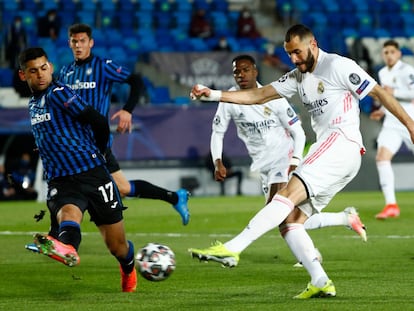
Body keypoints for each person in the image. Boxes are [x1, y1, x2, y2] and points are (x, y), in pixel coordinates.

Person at [189, 24, 414, 299]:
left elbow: (378, 93)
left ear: (313, 44)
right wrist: (212, 95)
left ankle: (233, 247)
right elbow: (258, 95)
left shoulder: (338, 65)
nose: (293, 59)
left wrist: (410, 125)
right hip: (334, 153)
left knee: (284, 196)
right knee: (291, 222)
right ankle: (320, 280)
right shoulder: (296, 77)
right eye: (289, 54)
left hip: (342, 142)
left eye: (297, 52)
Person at [210, 54, 367, 265]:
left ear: (255, 71)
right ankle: (344, 219)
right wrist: (217, 160)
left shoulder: (273, 98)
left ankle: (235, 251)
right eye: (236, 71)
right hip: (263, 164)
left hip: (282, 159)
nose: (241, 75)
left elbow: (298, 132)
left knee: (276, 210)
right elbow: (217, 131)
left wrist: (295, 159)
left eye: (245, 70)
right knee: (284, 216)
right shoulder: (230, 100)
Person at [19, 47, 137, 292]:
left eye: (43, 68)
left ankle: (128, 267)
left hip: (94, 174)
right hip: (63, 180)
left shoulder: (59, 93)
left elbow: (97, 120)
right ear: (24, 76)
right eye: (33, 71)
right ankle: (68, 248)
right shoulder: (33, 103)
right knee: (69, 214)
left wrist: (103, 151)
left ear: (50, 67)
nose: (40, 74)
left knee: (117, 247)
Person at [57, 23, 189, 225]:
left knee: (76, 186)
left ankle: (60, 234)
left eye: (82, 41)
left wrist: (127, 110)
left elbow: (136, 81)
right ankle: (174, 197)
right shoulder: (65, 72)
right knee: (123, 188)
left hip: (95, 142)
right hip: (74, 142)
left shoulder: (103, 65)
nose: (78, 45)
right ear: (69, 43)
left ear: (91, 43)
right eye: (74, 41)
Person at [370, 39, 414, 219]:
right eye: (386, 52)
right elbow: (387, 100)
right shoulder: (382, 72)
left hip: (409, 119)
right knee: (382, 157)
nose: (389, 55)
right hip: (391, 123)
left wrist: (394, 93)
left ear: (399, 54)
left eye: (392, 52)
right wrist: (381, 110)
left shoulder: (407, 71)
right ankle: (391, 205)